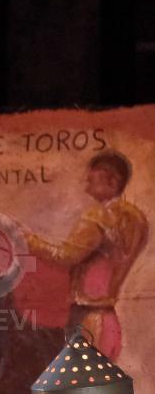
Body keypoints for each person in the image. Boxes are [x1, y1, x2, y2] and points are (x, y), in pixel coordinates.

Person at [21, 149, 148, 361]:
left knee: (78, 381)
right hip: (109, 320)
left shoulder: (99, 216)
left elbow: (65, 256)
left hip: (87, 320)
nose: (86, 186)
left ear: (112, 181)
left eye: (92, 180)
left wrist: (28, 240)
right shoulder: (138, 220)